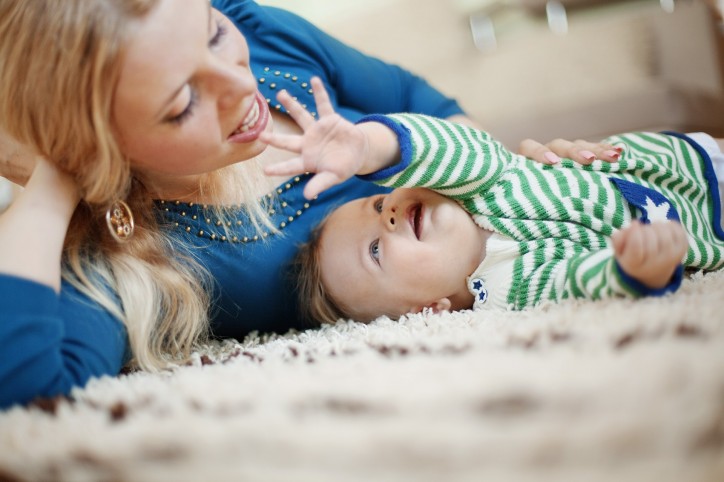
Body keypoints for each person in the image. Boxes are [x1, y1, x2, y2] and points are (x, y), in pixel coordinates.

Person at [0, 0, 618, 409]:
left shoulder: (263, 37)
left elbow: (413, 97)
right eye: (183, 100)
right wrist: (57, 178)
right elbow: (31, 397)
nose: (243, 87)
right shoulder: (131, 256)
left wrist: (515, 177)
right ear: (102, 149)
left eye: (213, 35)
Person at [262, 78, 724, 324]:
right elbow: (574, 282)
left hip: (681, 161)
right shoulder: (507, 289)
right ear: (429, 311)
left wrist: (368, 148)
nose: (391, 215)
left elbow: (445, 145)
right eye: (376, 251)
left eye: (379, 205)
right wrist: (631, 269)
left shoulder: (480, 181)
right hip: (703, 228)